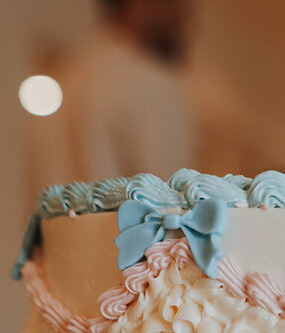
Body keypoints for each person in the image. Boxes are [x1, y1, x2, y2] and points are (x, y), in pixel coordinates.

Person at [28, 0, 196, 194]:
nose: (187, 15)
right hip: (121, 225)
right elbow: (172, 209)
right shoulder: (150, 84)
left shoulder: (64, 78)